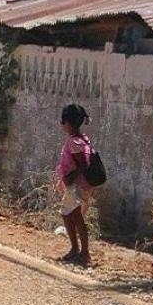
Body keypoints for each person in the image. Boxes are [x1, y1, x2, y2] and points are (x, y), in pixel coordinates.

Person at [56, 103, 93, 264]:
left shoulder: (75, 143)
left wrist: (70, 177)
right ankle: (76, 249)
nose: (62, 125)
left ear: (68, 123)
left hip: (77, 185)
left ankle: (82, 252)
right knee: (69, 214)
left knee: (74, 217)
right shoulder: (81, 140)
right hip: (78, 185)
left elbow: (83, 164)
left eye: (63, 121)